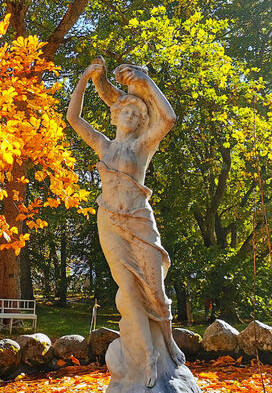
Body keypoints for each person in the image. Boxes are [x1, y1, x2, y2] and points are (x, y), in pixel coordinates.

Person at [67, 57, 184, 388]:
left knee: (156, 291)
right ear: (115, 115)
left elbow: (169, 118)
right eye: (126, 112)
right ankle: (148, 356)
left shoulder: (143, 145)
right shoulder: (103, 144)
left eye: (137, 114)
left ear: (141, 121)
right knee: (129, 290)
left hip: (139, 221)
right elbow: (73, 118)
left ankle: (168, 341)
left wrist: (146, 82)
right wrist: (85, 78)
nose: (131, 117)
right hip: (109, 221)